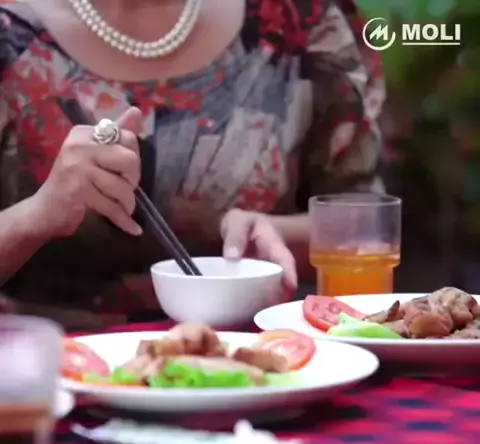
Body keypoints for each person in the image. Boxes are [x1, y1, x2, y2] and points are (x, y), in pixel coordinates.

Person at [0, 0, 384, 330]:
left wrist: (278, 233)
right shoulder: (11, 30)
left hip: (262, 361)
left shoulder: (299, 17)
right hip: (48, 368)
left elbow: (371, 225)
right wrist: (37, 214)